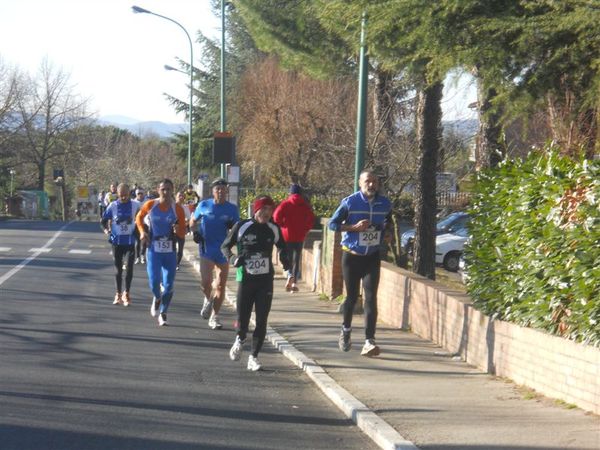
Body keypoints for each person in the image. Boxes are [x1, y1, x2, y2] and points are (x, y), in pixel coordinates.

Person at [222, 196, 290, 371]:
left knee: (262, 319)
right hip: (245, 278)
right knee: (242, 318)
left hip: (265, 281)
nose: (267, 213)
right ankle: (240, 338)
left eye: (270, 210)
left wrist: (287, 267)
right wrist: (233, 258)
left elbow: (283, 247)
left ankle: (254, 357)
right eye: (263, 209)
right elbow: (225, 246)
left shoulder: (273, 228)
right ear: (256, 210)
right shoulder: (242, 226)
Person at [328, 170, 392, 357]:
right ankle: (346, 330)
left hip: (372, 255)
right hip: (352, 255)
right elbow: (333, 224)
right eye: (367, 181)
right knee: (352, 297)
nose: (371, 185)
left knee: (371, 297)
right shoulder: (350, 202)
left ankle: (369, 341)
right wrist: (353, 228)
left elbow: (388, 221)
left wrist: (387, 233)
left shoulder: (385, 203)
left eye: (374, 182)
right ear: (360, 183)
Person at [189, 178, 240, 330]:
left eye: (224, 190)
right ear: (213, 191)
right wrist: (195, 232)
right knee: (206, 282)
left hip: (223, 249)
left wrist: (232, 229)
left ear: (227, 191)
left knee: (221, 285)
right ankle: (207, 299)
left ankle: (215, 317)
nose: (221, 192)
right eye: (218, 189)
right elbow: (192, 221)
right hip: (207, 248)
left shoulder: (232, 209)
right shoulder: (204, 205)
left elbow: (237, 227)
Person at [135, 179, 187, 326]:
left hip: (170, 251)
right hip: (154, 250)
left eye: (169, 189)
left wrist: (179, 231)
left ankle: (163, 313)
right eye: (163, 189)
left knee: (169, 285)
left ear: (172, 191)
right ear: (158, 190)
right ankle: (157, 298)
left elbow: (183, 232)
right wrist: (142, 233)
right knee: (154, 282)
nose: (166, 192)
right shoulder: (151, 205)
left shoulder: (177, 209)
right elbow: (138, 218)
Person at [101, 183, 141, 307]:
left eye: (125, 195)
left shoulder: (136, 205)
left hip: (130, 241)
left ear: (129, 193)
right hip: (116, 242)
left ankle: (126, 293)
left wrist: (141, 230)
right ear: (117, 195)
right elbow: (103, 221)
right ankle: (118, 293)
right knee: (118, 270)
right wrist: (106, 230)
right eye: (121, 195)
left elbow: (143, 218)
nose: (123, 197)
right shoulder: (112, 206)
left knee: (129, 268)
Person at [273, 184, 315, 292]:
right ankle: (294, 282)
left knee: (288, 259)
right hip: (300, 236)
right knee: (297, 259)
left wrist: (282, 225)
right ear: (300, 194)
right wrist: (305, 230)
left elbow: (276, 217)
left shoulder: (285, 204)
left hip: (287, 236)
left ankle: (289, 276)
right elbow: (311, 220)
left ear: (290, 193)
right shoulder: (305, 206)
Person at [175, 190, 192, 271]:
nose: (181, 197)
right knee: (172, 248)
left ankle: (177, 264)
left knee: (180, 249)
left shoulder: (185, 208)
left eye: (182, 196)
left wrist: (184, 225)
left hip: (181, 231)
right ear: (176, 197)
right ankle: (172, 262)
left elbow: (189, 219)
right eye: (179, 196)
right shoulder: (172, 206)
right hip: (172, 231)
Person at [134, 189, 148, 264]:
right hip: (137, 224)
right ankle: (137, 257)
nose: (140, 195)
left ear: (144, 194)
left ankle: (143, 255)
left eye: (141, 193)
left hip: (145, 223)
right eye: (138, 193)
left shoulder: (147, 201)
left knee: (144, 240)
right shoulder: (133, 202)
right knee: (137, 241)